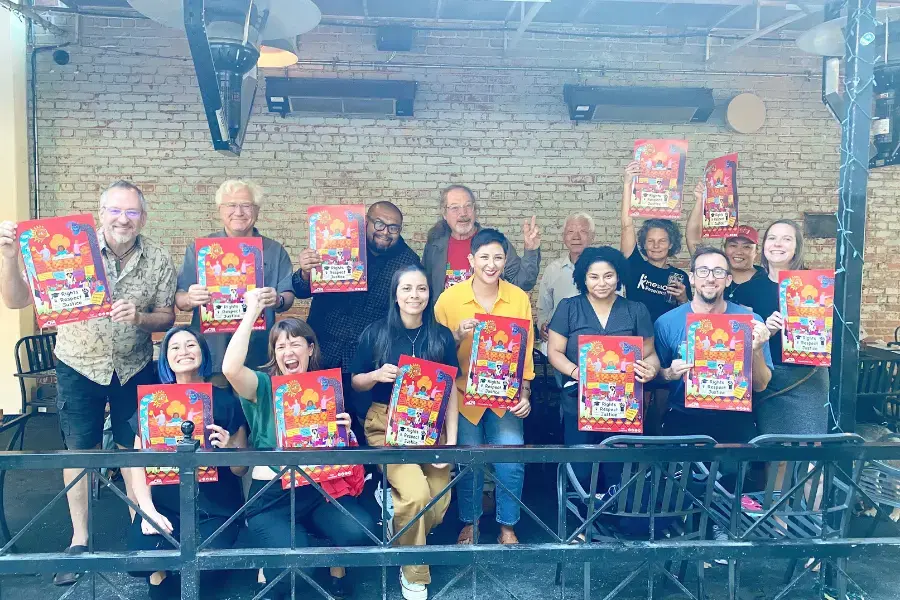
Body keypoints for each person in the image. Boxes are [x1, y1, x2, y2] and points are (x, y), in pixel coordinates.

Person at [0, 180, 176, 586]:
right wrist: (9, 258)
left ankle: (141, 531)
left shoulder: (159, 259)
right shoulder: (64, 248)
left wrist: (140, 318)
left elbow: (165, 316)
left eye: (132, 212)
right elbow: (15, 300)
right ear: (101, 213)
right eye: (115, 210)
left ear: (143, 217)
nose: (123, 219)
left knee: (138, 451)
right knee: (80, 452)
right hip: (78, 364)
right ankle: (79, 540)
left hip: (133, 365)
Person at [222, 288, 373, 600]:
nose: (287, 351)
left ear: (310, 348)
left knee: (359, 530)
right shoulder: (263, 386)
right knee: (297, 570)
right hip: (272, 495)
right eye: (280, 346)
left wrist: (343, 433)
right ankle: (281, 552)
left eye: (295, 343)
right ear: (275, 354)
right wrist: (252, 312)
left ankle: (304, 541)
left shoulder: (324, 386)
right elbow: (230, 370)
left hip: (318, 491)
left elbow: (337, 448)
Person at [351, 264, 460, 600]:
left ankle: (393, 513)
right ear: (395, 295)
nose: (415, 296)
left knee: (438, 502)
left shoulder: (440, 336)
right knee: (416, 496)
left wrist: (451, 443)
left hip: (430, 428)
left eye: (422, 289)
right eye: (407, 289)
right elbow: (354, 382)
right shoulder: (375, 333)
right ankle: (414, 572)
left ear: (430, 294)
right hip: (385, 424)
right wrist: (375, 375)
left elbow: (451, 388)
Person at [126, 327, 247, 600]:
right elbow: (137, 463)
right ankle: (159, 577)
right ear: (165, 358)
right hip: (167, 504)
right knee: (141, 559)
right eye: (175, 347)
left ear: (203, 352)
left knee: (209, 565)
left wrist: (229, 448)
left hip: (215, 507)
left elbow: (241, 469)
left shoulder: (226, 400)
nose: (183, 352)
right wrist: (147, 510)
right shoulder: (152, 401)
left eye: (191, 345)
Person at [434, 228, 535, 546]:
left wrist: (525, 394)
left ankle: (507, 525)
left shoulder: (518, 299)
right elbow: (433, 352)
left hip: (505, 397)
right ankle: (470, 522)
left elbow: (527, 353)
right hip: (463, 396)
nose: (491, 264)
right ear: (471, 260)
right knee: (469, 462)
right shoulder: (449, 299)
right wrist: (455, 335)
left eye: (498, 257)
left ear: (506, 260)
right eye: (484, 257)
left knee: (510, 458)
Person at [292, 201, 420, 429]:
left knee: (360, 425)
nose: (386, 232)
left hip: (368, 356)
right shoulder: (333, 245)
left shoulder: (408, 262)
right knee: (318, 419)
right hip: (324, 346)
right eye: (379, 224)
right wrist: (304, 271)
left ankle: (363, 466)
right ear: (365, 223)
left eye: (394, 228)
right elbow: (300, 290)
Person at [546, 246, 659, 493]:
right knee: (580, 469)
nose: (601, 283)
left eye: (608, 276)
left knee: (618, 470)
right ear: (583, 278)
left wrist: (650, 369)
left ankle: (618, 524)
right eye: (593, 277)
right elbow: (554, 351)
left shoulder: (635, 309)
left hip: (623, 404)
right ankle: (580, 528)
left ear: (618, 277)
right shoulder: (568, 307)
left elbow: (650, 353)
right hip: (579, 400)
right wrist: (577, 373)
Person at [175, 179, 295, 375]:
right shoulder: (200, 251)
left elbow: (287, 296)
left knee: (256, 405)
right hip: (211, 353)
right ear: (220, 209)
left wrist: (277, 299)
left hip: (259, 355)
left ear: (257, 210)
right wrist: (189, 298)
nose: (238, 212)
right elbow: (180, 299)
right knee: (217, 405)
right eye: (231, 205)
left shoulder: (274, 250)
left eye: (246, 205)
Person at [654, 247, 773, 442]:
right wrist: (668, 373)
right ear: (692, 278)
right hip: (683, 416)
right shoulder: (666, 323)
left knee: (736, 471)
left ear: (728, 279)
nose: (710, 278)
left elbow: (760, 386)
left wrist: (757, 350)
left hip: (734, 417)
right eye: (703, 271)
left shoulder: (750, 321)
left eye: (718, 272)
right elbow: (654, 380)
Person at [731, 219, 829, 435]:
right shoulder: (748, 290)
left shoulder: (817, 284)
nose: (778, 244)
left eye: (786, 239)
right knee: (771, 450)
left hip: (807, 376)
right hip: (765, 375)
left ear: (796, 247)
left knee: (808, 445)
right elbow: (740, 342)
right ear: (764, 246)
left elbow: (831, 333)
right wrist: (765, 333)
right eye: (772, 238)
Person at [423, 185, 541, 296]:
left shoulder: (495, 242)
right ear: (444, 213)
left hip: (487, 317)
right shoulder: (435, 246)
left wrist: (531, 251)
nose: (463, 213)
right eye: (455, 208)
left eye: (468, 206)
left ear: (475, 209)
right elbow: (425, 288)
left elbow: (523, 283)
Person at [620, 162, 691, 322]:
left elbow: (687, 318)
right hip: (639, 338)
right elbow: (626, 226)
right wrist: (628, 183)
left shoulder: (680, 277)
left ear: (671, 244)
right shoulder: (634, 265)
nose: (656, 246)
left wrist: (683, 299)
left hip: (667, 341)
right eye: (650, 241)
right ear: (643, 244)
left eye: (662, 241)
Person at [686, 181, 766, 302]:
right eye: (733, 245)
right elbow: (693, 239)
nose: (739, 252)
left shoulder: (766, 280)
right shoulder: (714, 273)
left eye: (746, 247)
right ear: (724, 248)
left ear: (757, 251)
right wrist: (700, 201)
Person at [537, 212, 596, 349]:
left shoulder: (605, 271)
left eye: (583, 231)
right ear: (564, 236)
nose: (576, 237)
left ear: (593, 237)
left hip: (594, 344)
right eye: (570, 231)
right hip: (558, 344)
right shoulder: (552, 270)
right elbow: (543, 309)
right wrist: (542, 326)